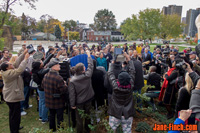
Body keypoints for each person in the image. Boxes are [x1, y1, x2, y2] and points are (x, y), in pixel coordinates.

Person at [1, 49, 29, 133]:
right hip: (12, 97)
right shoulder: (8, 74)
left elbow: (16, 63)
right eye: (9, 64)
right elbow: (20, 69)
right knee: (14, 115)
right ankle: (14, 130)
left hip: (12, 96)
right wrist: (26, 59)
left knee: (15, 114)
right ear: (7, 68)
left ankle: (16, 126)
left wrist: (23, 54)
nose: (11, 64)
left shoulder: (8, 69)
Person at [108, 55, 135, 133]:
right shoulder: (131, 85)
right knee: (127, 130)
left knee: (112, 130)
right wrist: (129, 59)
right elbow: (132, 71)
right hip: (128, 113)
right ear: (129, 80)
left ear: (118, 80)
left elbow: (110, 74)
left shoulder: (116, 87)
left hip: (115, 112)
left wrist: (112, 63)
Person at [68, 50, 94, 133]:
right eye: (84, 68)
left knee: (79, 118)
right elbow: (91, 66)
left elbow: (72, 94)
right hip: (88, 99)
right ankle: (87, 129)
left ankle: (80, 131)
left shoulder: (72, 80)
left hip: (79, 102)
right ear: (83, 70)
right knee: (87, 116)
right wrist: (89, 56)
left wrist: (72, 104)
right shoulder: (87, 76)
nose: (85, 68)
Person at [42, 58, 68, 132]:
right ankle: (60, 130)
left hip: (49, 100)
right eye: (57, 64)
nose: (59, 65)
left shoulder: (46, 75)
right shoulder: (58, 78)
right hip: (58, 101)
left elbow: (43, 86)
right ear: (53, 67)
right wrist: (65, 84)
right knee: (60, 117)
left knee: (52, 115)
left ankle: (52, 129)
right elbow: (64, 90)